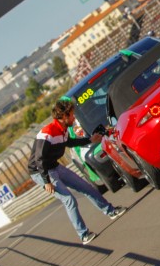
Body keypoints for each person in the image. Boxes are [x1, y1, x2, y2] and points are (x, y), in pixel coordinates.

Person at [28, 98, 126, 244]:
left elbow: (70, 142)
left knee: (86, 187)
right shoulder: (47, 133)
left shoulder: (63, 130)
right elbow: (39, 159)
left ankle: (111, 211)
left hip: (54, 166)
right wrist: (46, 182)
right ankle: (83, 235)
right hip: (41, 172)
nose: (74, 118)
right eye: (72, 115)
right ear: (64, 116)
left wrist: (90, 140)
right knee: (69, 199)